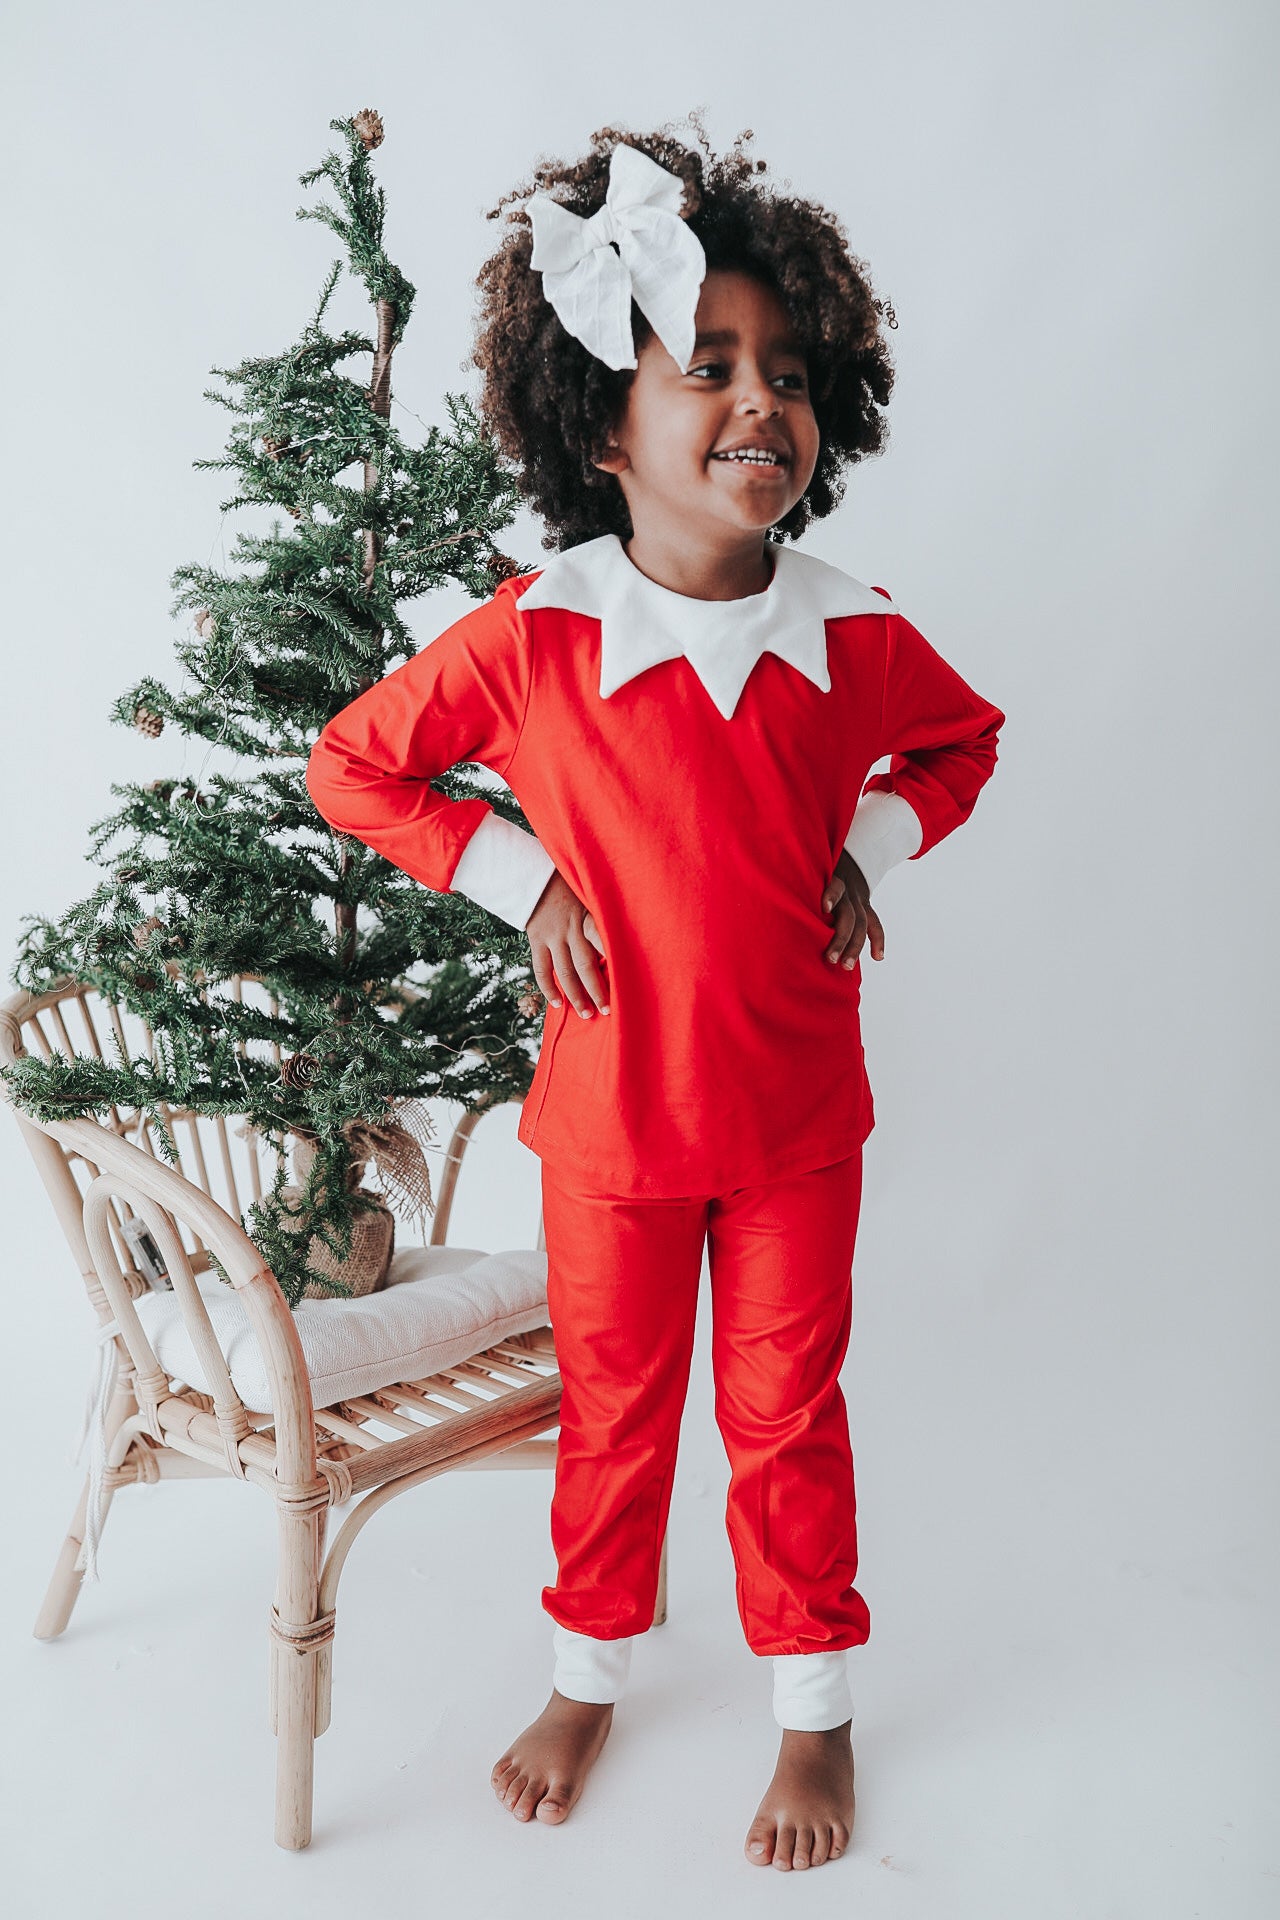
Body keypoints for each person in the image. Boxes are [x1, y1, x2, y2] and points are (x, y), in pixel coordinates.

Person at [305, 118, 1005, 1871]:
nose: (758, 401)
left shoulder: (852, 636)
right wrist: (513, 874)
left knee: (784, 1415)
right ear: (605, 424)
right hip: (609, 1128)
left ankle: (813, 1708)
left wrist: (873, 838)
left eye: (787, 371)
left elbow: (966, 742)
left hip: (789, 1130)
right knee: (616, 1414)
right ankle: (591, 1669)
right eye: (709, 367)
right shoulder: (535, 634)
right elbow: (355, 767)